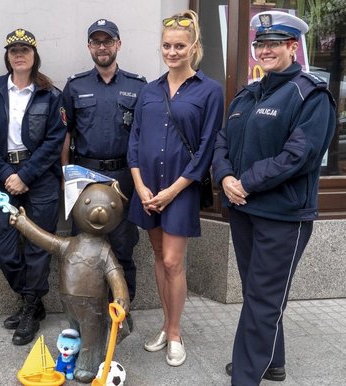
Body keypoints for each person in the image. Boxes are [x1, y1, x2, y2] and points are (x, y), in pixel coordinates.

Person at [211, 11, 336, 385]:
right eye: (260, 44)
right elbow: (221, 142)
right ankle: (273, 361)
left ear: (292, 47)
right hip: (244, 210)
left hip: (283, 216)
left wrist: (244, 182)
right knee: (258, 292)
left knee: (264, 299)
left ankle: (246, 376)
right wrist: (225, 176)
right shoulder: (248, 95)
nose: (265, 50)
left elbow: (299, 156)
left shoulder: (310, 95)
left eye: (273, 44)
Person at [127, 10, 224, 367]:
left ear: (193, 47)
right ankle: (166, 326)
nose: (172, 51)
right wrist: (139, 186)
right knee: (157, 256)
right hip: (148, 188)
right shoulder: (149, 91)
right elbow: (134, 140)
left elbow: (206, 149)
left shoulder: (210, 91)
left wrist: (173, 191)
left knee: (172, 260)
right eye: (167, 45)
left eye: (179, 46)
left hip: (180, 190)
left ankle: (175, 332)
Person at [0, 28, 66, 346]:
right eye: (13, 50)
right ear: (7, 56)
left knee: (38, 245)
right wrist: (4, 172)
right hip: (3, 175)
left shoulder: (51, 95)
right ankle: (34, 300)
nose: (19, 54)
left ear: (34, 56)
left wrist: (25, 175)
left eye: (25, 50)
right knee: (2, 244)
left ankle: (29, 308)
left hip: (39, 179)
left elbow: (55, 141)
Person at [61, 19, 146, 317]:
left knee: (123, 248)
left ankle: (122, 314)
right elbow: (66, 133)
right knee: (84, 251)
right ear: (89, 47)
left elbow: (143, 136)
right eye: (96, 42)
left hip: (124, 177)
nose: (102, 47)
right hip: (85, 178)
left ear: (118, 44)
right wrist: (66, 177)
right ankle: (86, 313)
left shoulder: (138, 86)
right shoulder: (75, 86)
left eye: (107, 41)